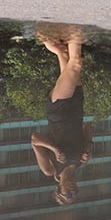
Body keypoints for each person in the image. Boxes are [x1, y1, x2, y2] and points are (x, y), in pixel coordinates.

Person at [30, 24, 94, 205]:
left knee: (75, 64)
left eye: (68, 194)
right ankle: (44, 33)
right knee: (64, 54)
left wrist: (55, 149)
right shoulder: (82, 162)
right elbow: (88, 127)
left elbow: (35, 139)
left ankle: (75, 26)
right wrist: (88, 146)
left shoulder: (50, 169)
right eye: (75, 194)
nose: (73, 191)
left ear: (59, 189)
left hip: (58, 112)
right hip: (76, 106)